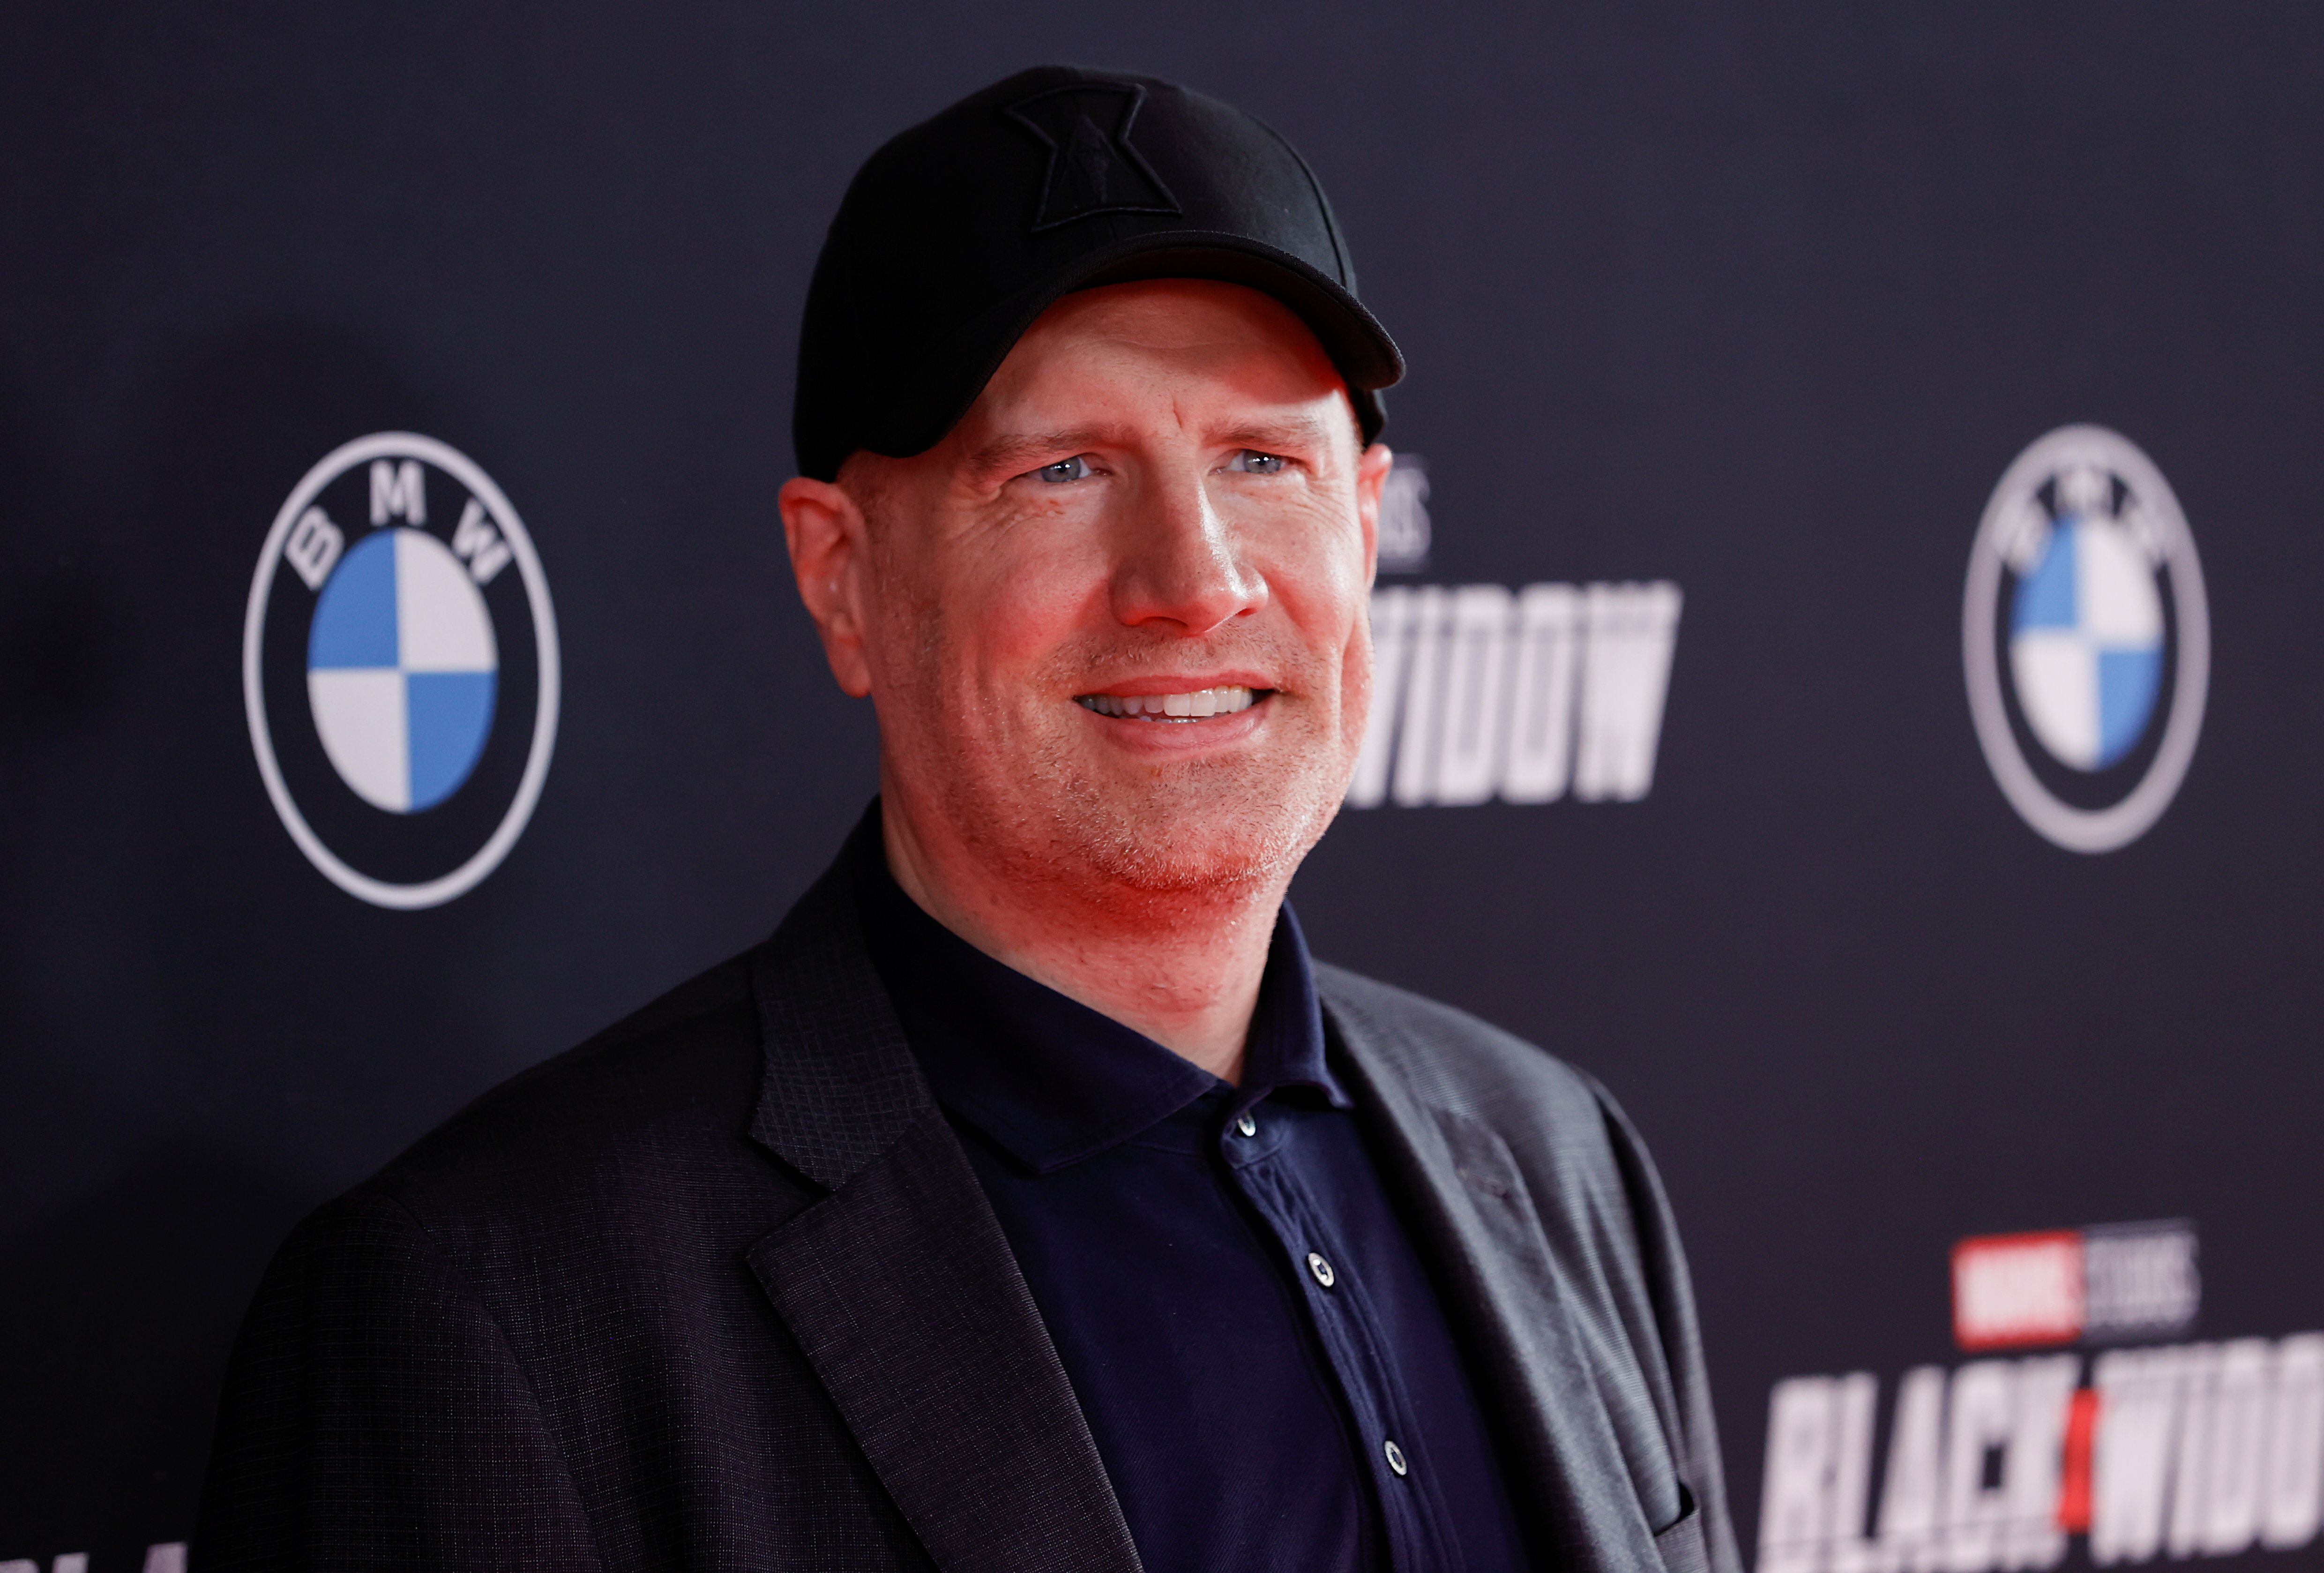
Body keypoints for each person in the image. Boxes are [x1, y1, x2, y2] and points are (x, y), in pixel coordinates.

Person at [196, 65, 1740, 1573]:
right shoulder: (494, 1315)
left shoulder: (1558, 1154)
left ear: (1362, 515)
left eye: (1262, 461)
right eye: (1062, 470)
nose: (1196, 580)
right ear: (842, 575)